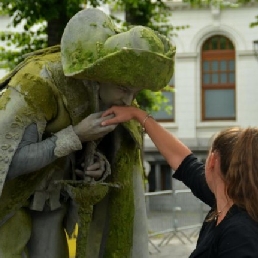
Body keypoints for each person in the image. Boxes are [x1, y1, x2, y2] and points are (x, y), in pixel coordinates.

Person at [0, 7, 175, 258]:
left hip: (52, 203)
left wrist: (98, 166)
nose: (128, 100)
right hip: (9, 205)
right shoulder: (38, 84)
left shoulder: (106, 94)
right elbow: (9, 161)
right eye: (124, 88)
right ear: (102, 75)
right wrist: (76, 136)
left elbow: (110, 151)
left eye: (135, 93)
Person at [101, 105, 258, 257]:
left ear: (212, 161)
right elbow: (183, 161)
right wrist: (138, 115)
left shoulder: (240, 234)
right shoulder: (226, 200)